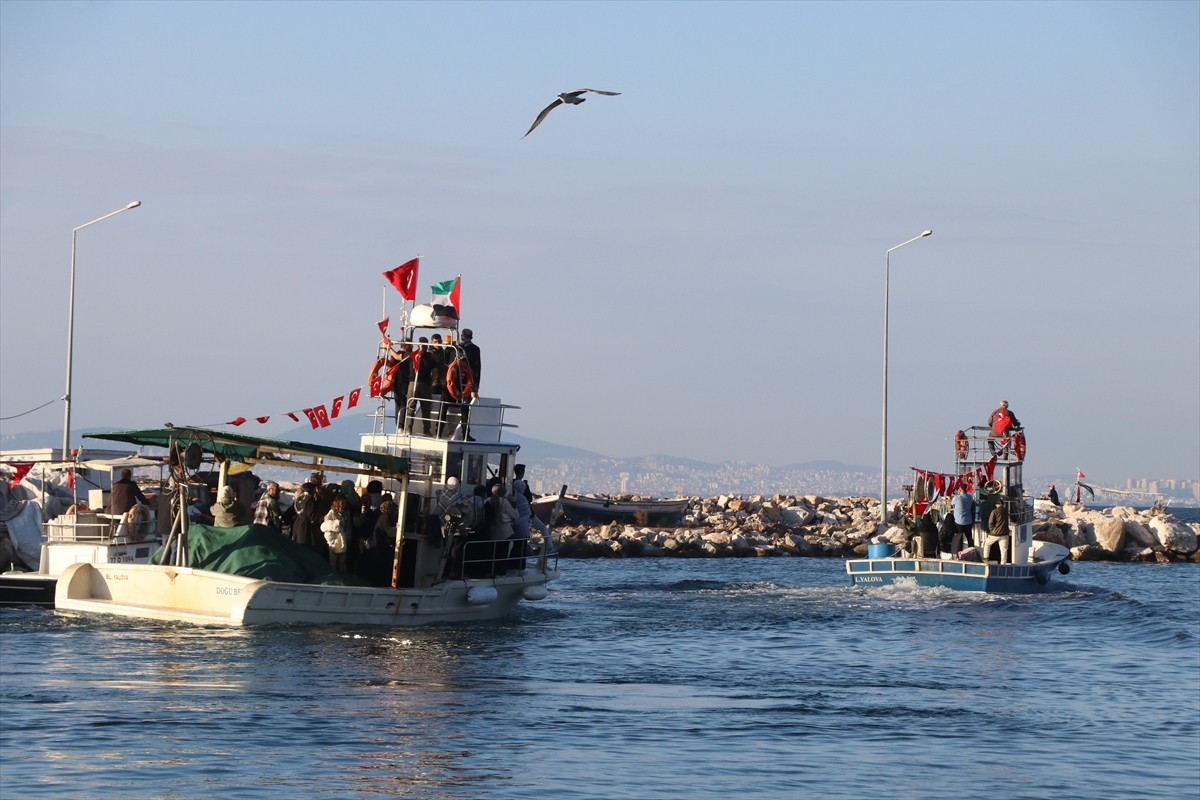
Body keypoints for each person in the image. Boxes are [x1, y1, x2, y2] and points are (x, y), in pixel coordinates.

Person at [291, 481, 323, 553]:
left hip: (298, 523)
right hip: (306, 525)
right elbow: (311, 514)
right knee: (305, 546)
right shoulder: (309, 499)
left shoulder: (299, 498)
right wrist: (322, 518)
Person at [321, 496, 350, 572]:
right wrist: (337, 524)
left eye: (345, 503)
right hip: (333, 542)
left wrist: (348, 537)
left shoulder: (346, 513)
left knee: (342, 562)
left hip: (343, 541)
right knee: (332, 562)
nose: (343, 505)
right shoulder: (331, 513)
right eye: (342, 503)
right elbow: (325, 526)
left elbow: (348, 527)